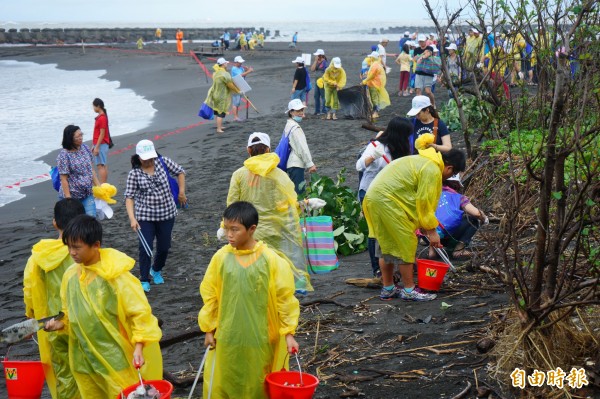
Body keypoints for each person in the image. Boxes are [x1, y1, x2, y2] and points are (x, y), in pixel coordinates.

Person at [43, 215, 163, 398]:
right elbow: (70, 312)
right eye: (68, 246)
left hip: (115, 357)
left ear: (96, 245)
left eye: (77, 247)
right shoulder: (70, 276)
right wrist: (61, 324)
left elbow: (139, 313)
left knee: (121, 393)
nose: (71, 252)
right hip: (84, 358)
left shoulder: (115, 277)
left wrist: (139, 346)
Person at [198, 201, 300, 399]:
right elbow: (210, 295)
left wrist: (288, 333)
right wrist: (209, 328)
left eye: (235, 230)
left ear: (252, 229)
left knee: (258, 380)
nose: (229, 235)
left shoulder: (270, 260)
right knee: (228, 377)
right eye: (226, 228)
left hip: (261, 336)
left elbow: (284, 298)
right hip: (228, 335)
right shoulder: (221, 258)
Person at [363, 146, 467, 301]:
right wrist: (432, 232)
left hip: (374, 198)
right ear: (449, 167)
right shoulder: (432, 169)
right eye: (452, 174)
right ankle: (409, 290)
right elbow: (424, 204)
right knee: (407, 243)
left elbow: (416, 200)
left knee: (386, 244)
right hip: (387, 201)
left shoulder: (423, 160)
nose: (449, 177)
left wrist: (426, 228)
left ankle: (388, 288)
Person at [225, 132, 316, 292]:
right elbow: (286, 205)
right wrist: (306, 204)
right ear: (268, 149)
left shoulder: (238, 174)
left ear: (248, 150)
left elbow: (232, 204)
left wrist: (225, 227)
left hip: (249, 231)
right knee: (275, 267)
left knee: (253, 268)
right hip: (276, 229)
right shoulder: (279, 175)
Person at [23, 199, 85, 399]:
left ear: (55, 223)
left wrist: (31, 318)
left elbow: (30, 289)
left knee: (64, 374)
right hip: (85, 320)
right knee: (90, 367)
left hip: (52, 323)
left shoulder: (39, 256)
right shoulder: (86, 251)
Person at [125, 139, 187, 292]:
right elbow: (129, 197)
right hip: (145, 217)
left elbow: (180, 172)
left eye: (150, 157)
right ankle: (144, 278)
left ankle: (156, 269)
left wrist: (181, 192)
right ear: (138, 157)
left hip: (167, 214)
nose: (148, 161)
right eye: (145, 158)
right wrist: (132, 218)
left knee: (164, 247)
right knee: (145, 248)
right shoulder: (134, 173)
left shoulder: (163, 162)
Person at [356, 117, 414, 277]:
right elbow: (359, 165)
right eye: (406, 134)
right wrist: (372, 157)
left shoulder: (400, 148)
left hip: (388, 194)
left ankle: (389, 268)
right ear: (399, 134)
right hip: (369, 193)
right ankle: (377, 270)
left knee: (388, 229)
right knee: (374, 231)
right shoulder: (377, 146)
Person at [429, 174, 488, 260]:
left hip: (429, 234)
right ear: (456, 184)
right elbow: (476, 213)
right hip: (448, 234)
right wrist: (484, 218)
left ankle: (432, 250)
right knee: (473, 220)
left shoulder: (430, 194)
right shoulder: (459, 197)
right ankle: (458, 250)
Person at [57, 125, 100, 217]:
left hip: (87, 193)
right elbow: (63, 179)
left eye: (81, 135)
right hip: (72, 196)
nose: (81, 138)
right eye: (78, 137)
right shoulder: (64, 155)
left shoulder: (85, 148)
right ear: (70, 138)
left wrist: (99, 188)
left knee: (91, 219)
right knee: (74, 224)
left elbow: (91, 170)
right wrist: (69, 200)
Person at [282, 99, 316, 194]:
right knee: (300, 194)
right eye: (298, 111)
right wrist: (310, 164)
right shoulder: (295, 128)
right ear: (291, 112)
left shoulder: (288, 125)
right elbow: (302, 148)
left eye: (302, 110)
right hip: (296, 164)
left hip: (291, 164)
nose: (301, 113)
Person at [204, 57, 241, 133]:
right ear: (223, 64)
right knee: (221, 112)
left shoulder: (216, 73)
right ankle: (219, 128)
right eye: (226, 63)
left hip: (215, 94)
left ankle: (219, 125)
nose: (227, 64)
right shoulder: (225, 74)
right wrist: (237, 90)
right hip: (221, 95)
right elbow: (230, 84)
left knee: (217, 111)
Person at [362, 51, 391, 119]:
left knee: (374, 99)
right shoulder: (377, 64)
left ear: (373, 57)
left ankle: (375, 112)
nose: (370, 58)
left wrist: (364, 81)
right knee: (375, 98)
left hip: (373, 84)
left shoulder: (375, 65)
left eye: (371, 57)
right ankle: (375, 112)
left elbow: (372, 76)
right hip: (376, 84)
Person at [92, 98, 111, 184]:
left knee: (100, 166)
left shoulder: (102, 118)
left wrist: (97, 147)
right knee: (103, 165)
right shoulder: (101, 117)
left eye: (93, 106)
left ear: (98, 106)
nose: (93, 108)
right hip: (101, 144)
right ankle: (104, 185)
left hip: (101, 144)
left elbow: (102, 133)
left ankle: (103, 185)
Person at [230, 55, 254, 121]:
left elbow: (244, 72)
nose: (241, 63)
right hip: (235, 87)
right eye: (240, 62)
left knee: (237, 103)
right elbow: (241, 75)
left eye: (241, 62)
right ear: (236, 62)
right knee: (235, 103)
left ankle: (236, 117)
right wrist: (249, 71)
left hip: (240, 86)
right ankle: (235, 117)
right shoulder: (234, 69)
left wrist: (247, 69)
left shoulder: (240, 67)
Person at [310, 48, 329, 115]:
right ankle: (317, 111)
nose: (316, 56)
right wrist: (315, 61)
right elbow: (312, 69)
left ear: (320, 55)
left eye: (317, 55)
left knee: (323, 96)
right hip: (316, 82)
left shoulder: (325, 63)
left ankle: (324, 110)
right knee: (316, 96)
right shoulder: (317, 62)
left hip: (322, 82)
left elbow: (327, 72)